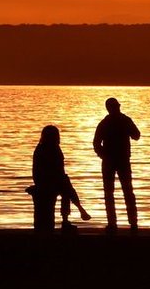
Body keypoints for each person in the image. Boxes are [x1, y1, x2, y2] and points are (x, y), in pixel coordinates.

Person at [28, 124, 91, 232]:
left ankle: (72, 215)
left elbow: (59, 170)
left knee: (66, 187)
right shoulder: (46, 149)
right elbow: (54, 170)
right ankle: (73, 214)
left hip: (50, 180)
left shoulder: (46, 148)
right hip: (45, 181)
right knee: (66, 188)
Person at [93, 97, 141, 232]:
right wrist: (105, 156)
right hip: (120, 161)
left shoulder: (105, 123)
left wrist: (104, 156)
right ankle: (131, 223)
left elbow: (96, 144)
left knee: (112, 193)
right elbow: (136, 135)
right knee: (126, 192)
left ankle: (115, 224)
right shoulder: (124, 120)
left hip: (114, 161)